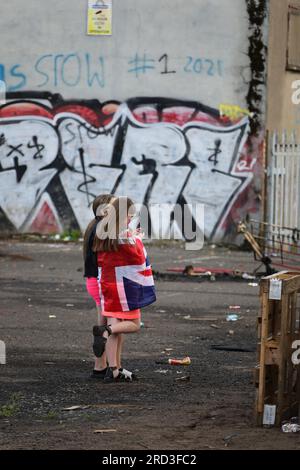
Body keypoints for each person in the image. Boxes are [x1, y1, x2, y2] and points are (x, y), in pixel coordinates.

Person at [92, 196, 156, 383]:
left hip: (109, 287)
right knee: (133, 325)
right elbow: (136, 256)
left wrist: (133, 236)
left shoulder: (103, 231)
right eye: (129, 215)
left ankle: (114, 370)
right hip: (125, 289)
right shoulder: (124, 236)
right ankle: (105, 331)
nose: (130, 219)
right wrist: (138, 239)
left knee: (116, 330)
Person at [83, 194, 136, 380]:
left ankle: (103, 367)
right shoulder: (104, 230)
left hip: (93, 280)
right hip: (102, 282)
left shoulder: (93, 227)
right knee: (110, 327)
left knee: (105, 326)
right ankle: (110, 368)